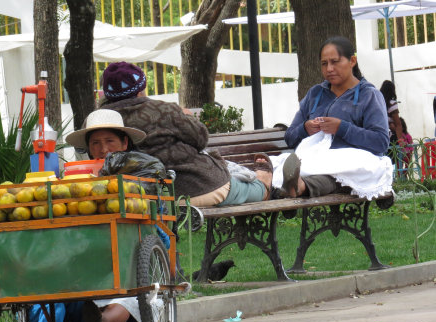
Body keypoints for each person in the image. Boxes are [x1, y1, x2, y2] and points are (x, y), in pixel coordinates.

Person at [97, 61, 273, 207]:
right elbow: (201, 139)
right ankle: (265, 183)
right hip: (197, 188)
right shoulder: (163, 110)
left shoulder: (96, 122)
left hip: (135, 200)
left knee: (233, 176)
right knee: (248, 189)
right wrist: (187, 117)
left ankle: (270, 182)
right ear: (140, 90)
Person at [65, 109, 151, 322]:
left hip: (134, 244)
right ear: (89, 148)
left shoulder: (140, 167)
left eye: (109, 141)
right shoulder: (79, 173)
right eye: (96, 143)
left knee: (130, 291)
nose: (103, 149)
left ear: (125, 143)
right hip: (91, 247)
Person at [280, 36, 392, 199]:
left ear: (352, 61)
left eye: (335, 62)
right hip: (314, 162)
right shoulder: (315, 94)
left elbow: (380, 142)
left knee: (332, 177)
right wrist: (306, 128)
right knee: (279, 164)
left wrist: (342, 128)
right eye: (324, 63)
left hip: (351, 167)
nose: (329, 68)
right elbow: (290, 137)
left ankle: (297, 186)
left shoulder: (369, 95)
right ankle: (288, 185)